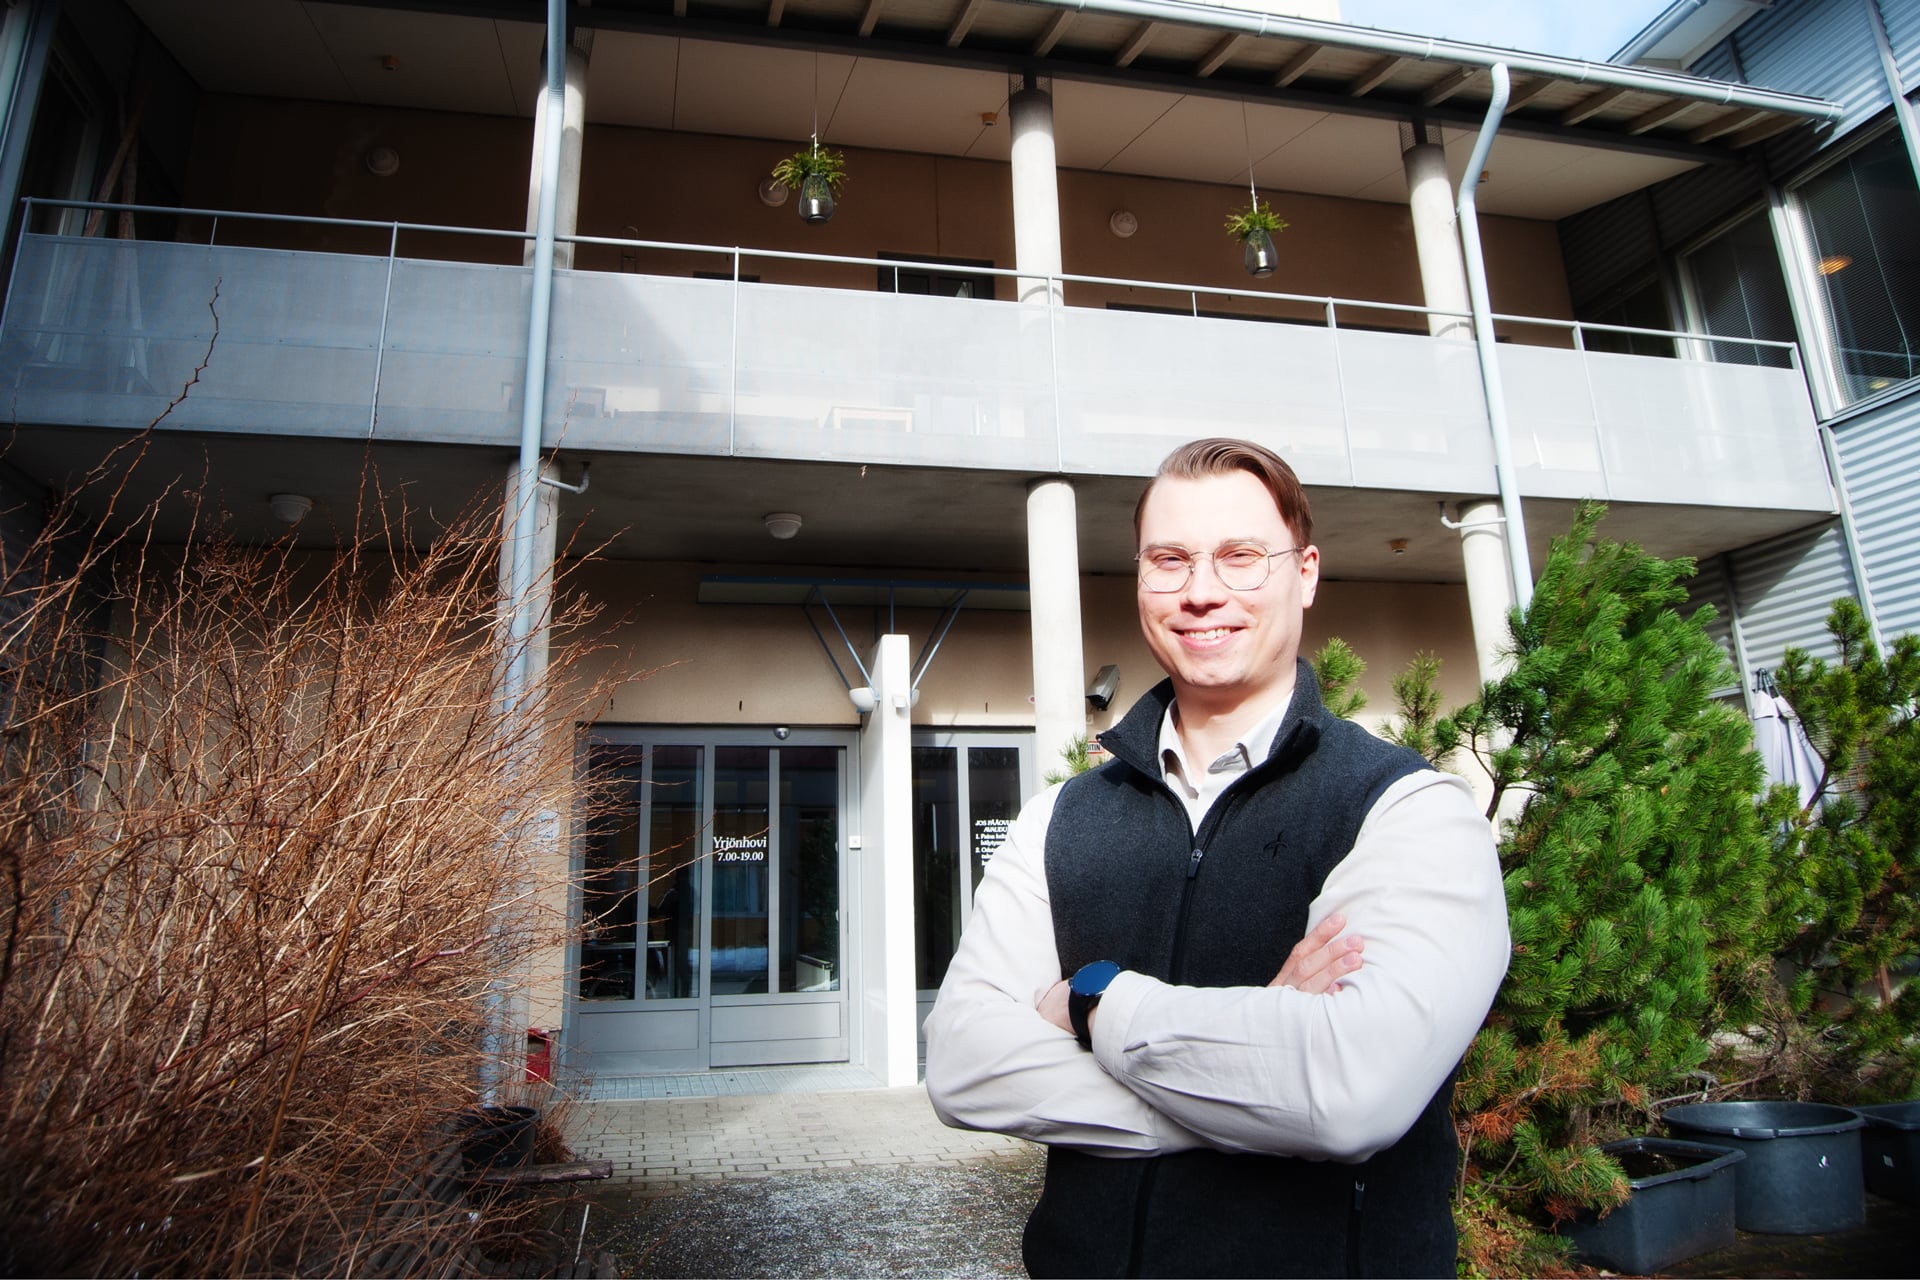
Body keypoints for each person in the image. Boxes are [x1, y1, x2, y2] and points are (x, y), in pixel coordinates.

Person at [923, 438, 1509, 1278]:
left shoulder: (1408, 810)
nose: (1201, 591)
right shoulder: (1059, 819)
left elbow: (1349, 1093)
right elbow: (963, 1065)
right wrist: (1253, 1088)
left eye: (1240, 556)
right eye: (1170, 560)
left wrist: (1096, 1001)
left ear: (1305, 573)